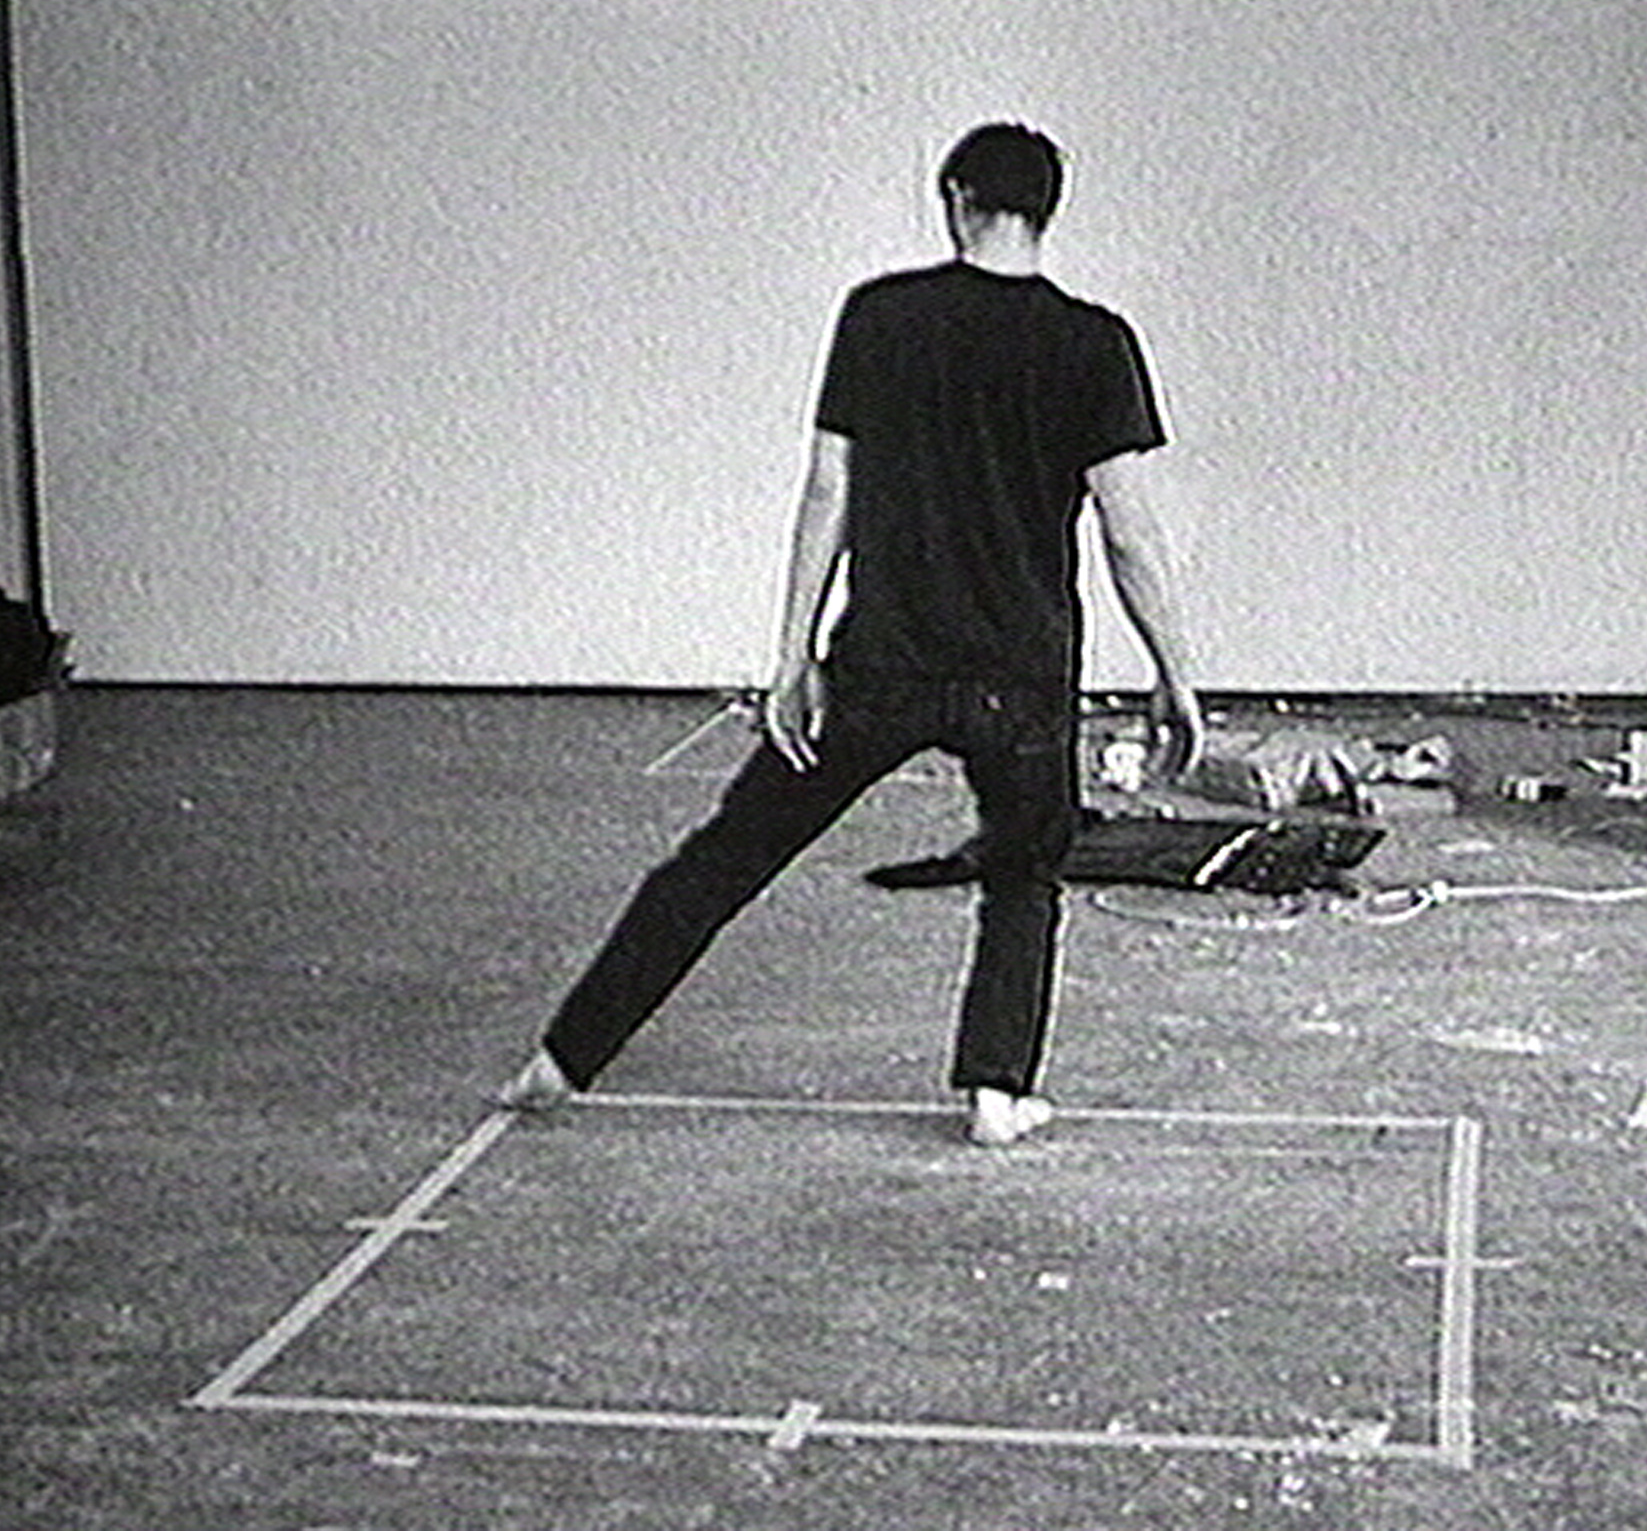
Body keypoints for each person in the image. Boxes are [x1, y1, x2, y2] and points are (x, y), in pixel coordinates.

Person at [497, 122, 1203, 1145]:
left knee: (724, 858)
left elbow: (828, 488)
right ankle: (997, 1091)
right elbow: (1129, 535)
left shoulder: (880, 317)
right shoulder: (1094, 342)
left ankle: (561, 1059)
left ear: (956, 197)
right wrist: (1174, 672)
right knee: (1021, 873)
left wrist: (789, 657)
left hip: (881, 665)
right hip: (1020, 677)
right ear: (1047, 208)